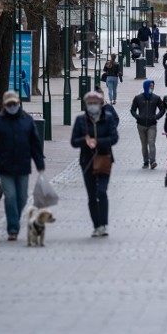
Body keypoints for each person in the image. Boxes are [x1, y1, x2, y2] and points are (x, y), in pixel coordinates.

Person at [0, 90, 45, 241]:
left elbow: (35, 143)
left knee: (23, 198)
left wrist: (39, 163)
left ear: (19, 103)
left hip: (23, 165)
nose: (12, 106)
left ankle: (14, 219)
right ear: (4, 105)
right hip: (5, 167)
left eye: (14, 103)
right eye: (9, 104)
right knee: (10, 197)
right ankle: (13, 228)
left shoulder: (27, 120)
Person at [71, 91, 119, 238]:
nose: (92, 106)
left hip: (104, 159)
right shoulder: (81, 121)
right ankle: (96, 225)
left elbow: (114, 138)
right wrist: (85, 141)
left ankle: (103, 224)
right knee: (92, 195)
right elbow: (74, 141)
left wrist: (97, 142)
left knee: (102, 191)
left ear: (100, 104)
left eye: (95, 103)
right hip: (87, 161)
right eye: (90, 103)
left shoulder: (108, 118)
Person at [130, 79, 166, 169]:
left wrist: (156, 116)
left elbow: (162, 109)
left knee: (151, 142)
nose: (152, 88)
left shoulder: (156, 98)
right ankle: (145, 161)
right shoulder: (138, 98)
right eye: (150, 86)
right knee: (144, 144)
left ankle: (152, 161)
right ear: (146, 86)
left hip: (152, 124)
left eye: (153, 86)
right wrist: (137, 117)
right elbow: (132, 110)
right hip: (141, 124)